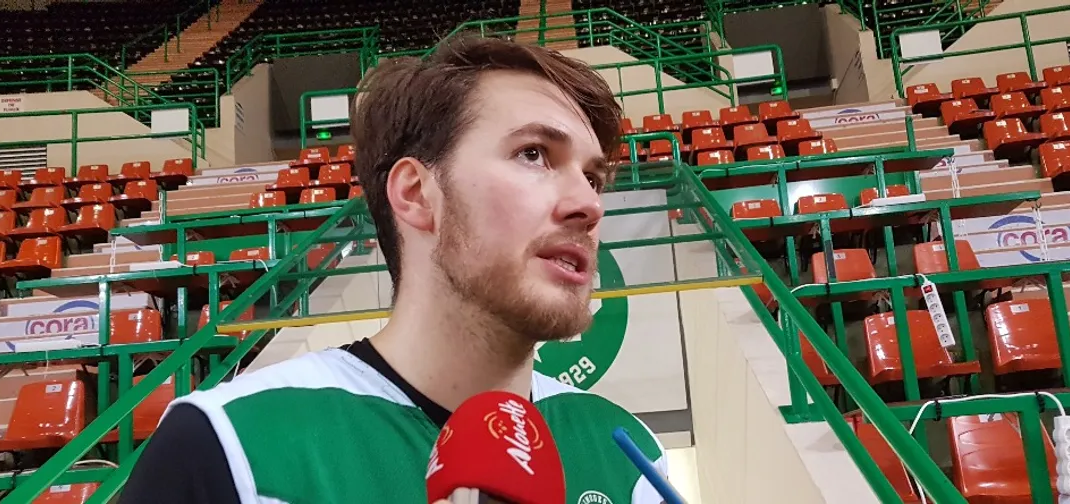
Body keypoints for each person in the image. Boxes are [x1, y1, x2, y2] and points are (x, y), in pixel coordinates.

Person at [119, 33, 668, 504]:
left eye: (594, 178)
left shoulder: (628, 456)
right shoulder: (228, 444)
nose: (589, 204)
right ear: (416, 193)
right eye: (534, 154)